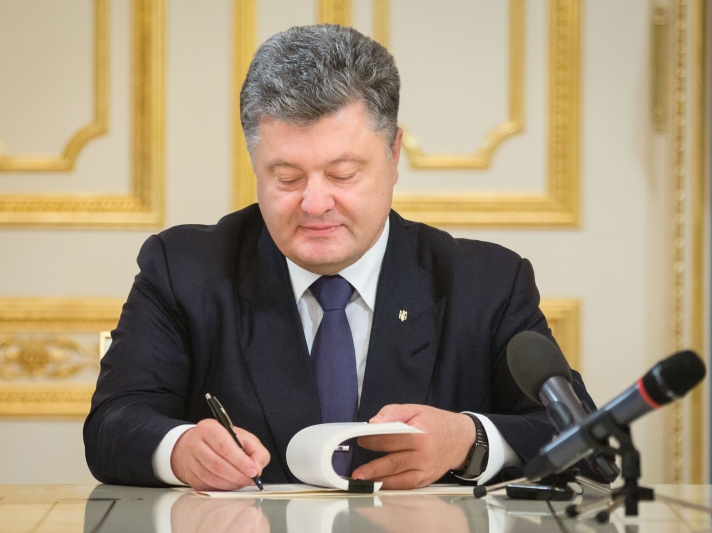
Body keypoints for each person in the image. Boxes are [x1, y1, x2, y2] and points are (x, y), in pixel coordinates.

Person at [84, 24, 597, 490]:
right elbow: (113, 423)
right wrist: (178, 450)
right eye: (286, 177)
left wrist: (470, 441)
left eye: (343, 174)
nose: (314, 204)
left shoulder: (485, 283)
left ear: (393, 155)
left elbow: (586, 444)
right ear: (255, 164)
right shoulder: (185, 269)